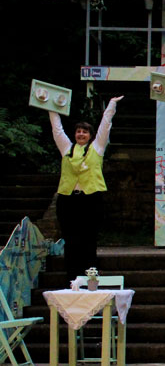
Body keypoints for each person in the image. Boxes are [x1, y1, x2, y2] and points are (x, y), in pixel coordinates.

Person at [49, 96, 123, 281]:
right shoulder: (66, 148)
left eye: (85, 132)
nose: (81, 134)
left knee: (89, 239)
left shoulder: (97, 148)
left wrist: (111, 104)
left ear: (90, 135)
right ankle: (72, 278)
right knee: (71, 240)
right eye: (78, 132)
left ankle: (90, 277)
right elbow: (57, 130)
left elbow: (105, 127)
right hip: (68, 199)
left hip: (91, 200)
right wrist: (51, 107)